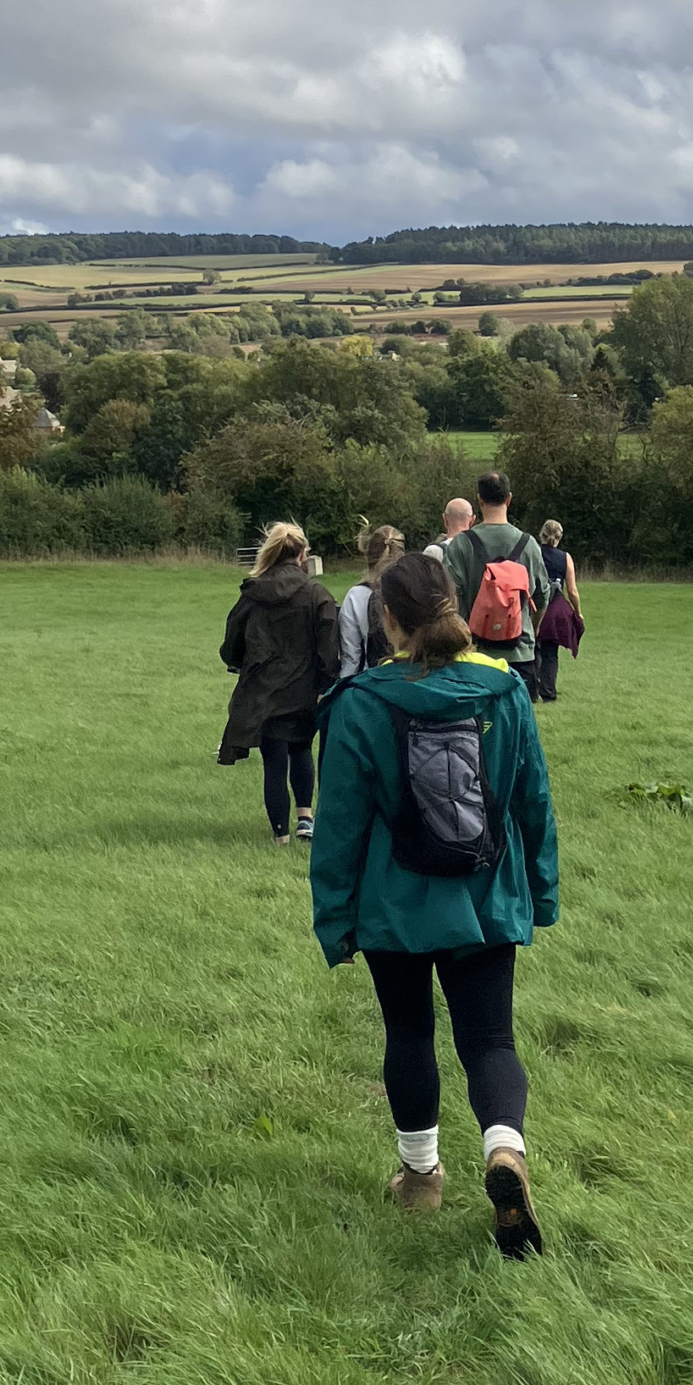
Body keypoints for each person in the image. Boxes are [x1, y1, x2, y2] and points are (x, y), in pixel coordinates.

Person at [310, 554, 559, 1258]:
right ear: (454, 605)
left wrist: (336, 918)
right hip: (487, 899)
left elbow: (339, 829)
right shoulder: (504, 691)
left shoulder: (360, 703)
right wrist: (539, 892)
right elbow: (531, 800)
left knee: (409, 1035)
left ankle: (420, 1178)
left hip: (395, 907)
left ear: (386, 619)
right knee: (490, 1040)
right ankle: (505, 1152)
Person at [219, 521, 339, 845]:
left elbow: (232, 639)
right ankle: (305, 819)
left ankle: (279, 836)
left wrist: (241, 664)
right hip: (305, 689)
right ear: (302, 554)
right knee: (301, 750)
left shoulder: (254, 593)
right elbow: (329, 641)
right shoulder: (317, 594)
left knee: (274, 762)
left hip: (264, 691)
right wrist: (325, 684)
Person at [441, 472, 551, 699]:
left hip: (473, 654)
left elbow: (450, 597)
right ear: (509, 499)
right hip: (520, 655)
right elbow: (541, 596)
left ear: (479, 500)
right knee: (518, 729)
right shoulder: (528, 544)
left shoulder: (461, 544)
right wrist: (533, 626)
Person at [337, 521, 407, 680]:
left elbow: (351, 658)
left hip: (371, 681)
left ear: (369, 556)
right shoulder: (412, 588)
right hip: (410, 678)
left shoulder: (355, 596)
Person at [532, 519, 585, 702]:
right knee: (550, 652)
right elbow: (572, 590)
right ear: (559, 537)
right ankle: (548, 692)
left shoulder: (532, 552)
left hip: (533, 606)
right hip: (555, 610)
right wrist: (578, 612)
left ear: (542, 534)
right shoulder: (565, 557)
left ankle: (531, 689)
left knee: (532, 649)